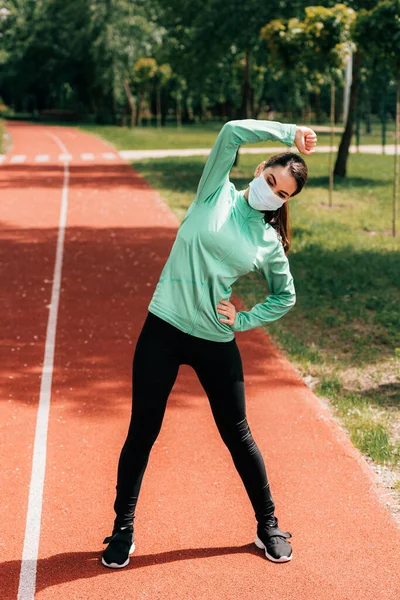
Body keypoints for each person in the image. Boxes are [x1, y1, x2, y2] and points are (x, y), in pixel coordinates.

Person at [102, 118, 317, 568]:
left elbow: (286, 295)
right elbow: (231, 131)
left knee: (238, 435)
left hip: (214, 340)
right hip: (163, 327)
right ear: (260, 170)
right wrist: (290, 132)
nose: (272, 192)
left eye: (282, 193)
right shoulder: (213, 191)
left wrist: (244, 319)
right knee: (143, 429)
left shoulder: (267, 241)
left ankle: (268, 525)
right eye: (271, 180)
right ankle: (122, 529)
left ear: (286, 201)